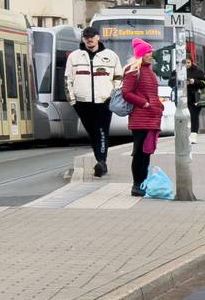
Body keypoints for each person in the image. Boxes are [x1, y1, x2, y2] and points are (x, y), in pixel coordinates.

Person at [63, 25, 123, 177]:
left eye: (92, 36)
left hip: (104, 101)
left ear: (98, 37)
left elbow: (119, 78)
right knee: (92, 132)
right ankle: (100, 160)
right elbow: (67, 79)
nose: (89, 39)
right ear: (83, 39)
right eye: (86, 37)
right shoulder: (74, 56)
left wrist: (112, 96)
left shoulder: (111, 56)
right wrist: (72, 101)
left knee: (102, 131)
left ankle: (101, 162)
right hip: (82, 103)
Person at [122, 39, 166, 192]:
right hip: (140, 118)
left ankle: (142, 184)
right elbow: (126, 93)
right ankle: (137, 185)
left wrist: (158, 105)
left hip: (151, 117)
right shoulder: (134, 70)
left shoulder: (149, 71)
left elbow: (151, 93)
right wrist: (144, 104)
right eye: (148, 52)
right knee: (140, 153)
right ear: (141, 54)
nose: (151, 54)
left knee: (146, 153)